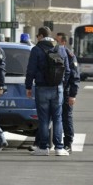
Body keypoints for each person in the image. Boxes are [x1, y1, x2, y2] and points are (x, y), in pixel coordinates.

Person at [25, 26, 70, 156]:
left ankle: (44, 147)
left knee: (43, 119)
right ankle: (59, 148)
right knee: (57, 118)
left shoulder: (36, 50)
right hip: (57, 88)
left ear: (40, 36)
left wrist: (28, 87)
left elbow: (31, 70)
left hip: (41, 88)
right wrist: (61, 84)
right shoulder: (60, 48)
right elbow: (67, 71)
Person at [56, 32, 80, 153]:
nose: (56, 43)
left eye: (58, 41)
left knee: (66, 117)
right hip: (57, 90)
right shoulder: (54, 52)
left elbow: (75, 76)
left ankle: (68, 143)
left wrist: (73, 95)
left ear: (64, 42)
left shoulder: (70, 55)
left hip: (66, 91)